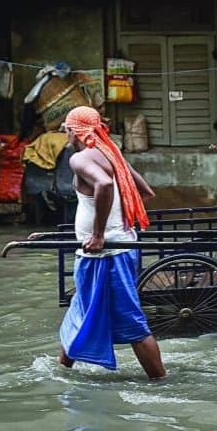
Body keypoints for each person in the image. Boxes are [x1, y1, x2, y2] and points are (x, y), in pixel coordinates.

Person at [58, 106, 165, 379]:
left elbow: (103, 185)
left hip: (105, 254)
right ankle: (61, 373)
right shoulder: (112, 154)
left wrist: (99, 234)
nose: (66, 136)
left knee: (132, 323)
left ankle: (161, 382)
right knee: (80, 310)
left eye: (67, 130)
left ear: (75, 131)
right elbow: (146, 192)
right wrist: (120, 223)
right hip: (119, 249)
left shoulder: (80, 159)